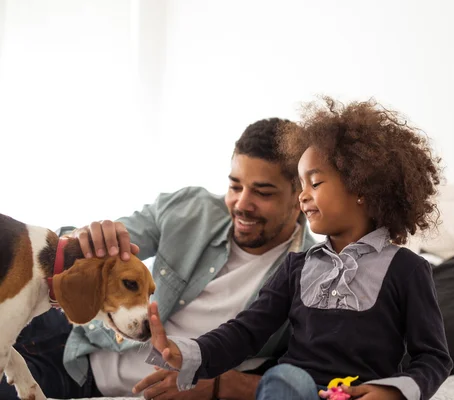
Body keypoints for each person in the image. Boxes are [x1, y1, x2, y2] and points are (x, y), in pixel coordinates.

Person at [140, 97, 453, 400]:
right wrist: (187, 352)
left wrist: (394, 391)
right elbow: (245, 332)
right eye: (300, 186)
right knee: (284, 379)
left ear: (361, 188)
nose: (302, 197)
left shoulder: (408, 269)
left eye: (314, 184)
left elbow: (434, 358)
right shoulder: (296, 267)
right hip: (294, 390)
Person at [0, 118, 317, 400]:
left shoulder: (314, 274)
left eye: (262, 193)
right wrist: (89, 236)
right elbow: (86, 248)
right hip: (64, 329)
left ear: (299, 196)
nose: (241, 204)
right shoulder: (191, 207)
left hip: (73, 378)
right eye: (235, 186)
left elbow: (310, 377)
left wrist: (223, 385)